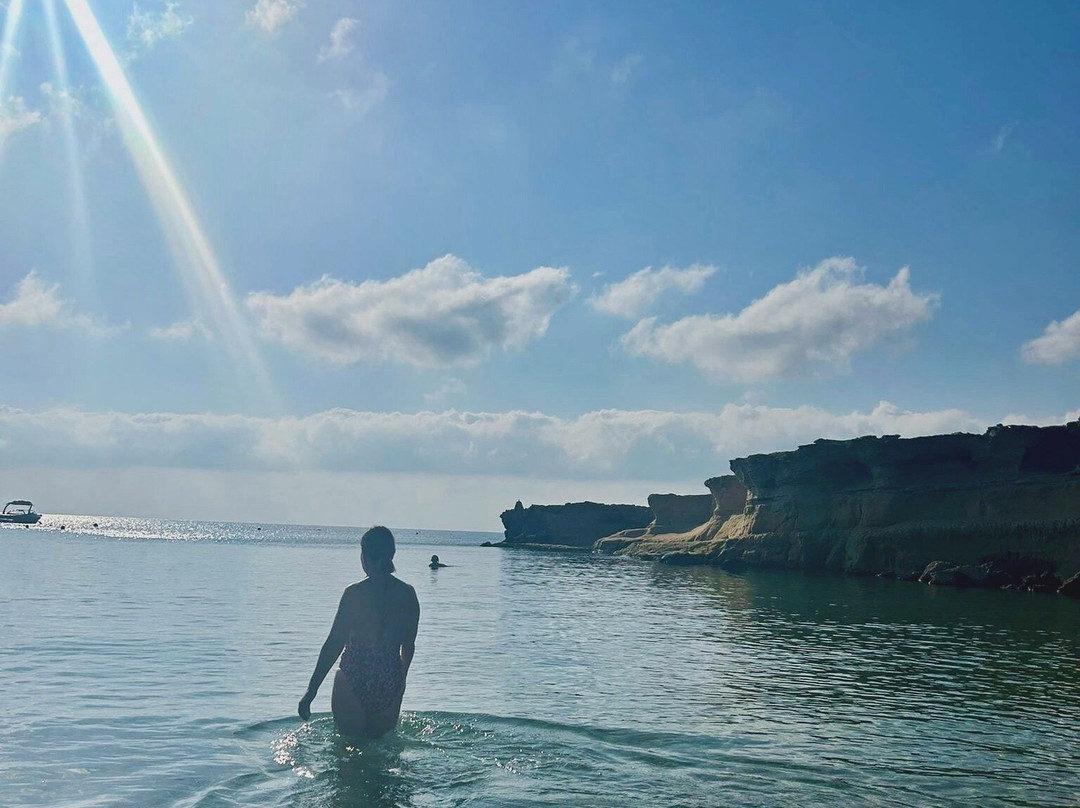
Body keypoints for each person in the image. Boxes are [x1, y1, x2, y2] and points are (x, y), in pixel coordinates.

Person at [298, 526, 420, 738]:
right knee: (382, 754)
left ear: (364, 556)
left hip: (353, 678)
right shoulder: (407, 594)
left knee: (348, 750)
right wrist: (401, 680)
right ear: (392, 554)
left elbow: (334, 644)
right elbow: (408, 645)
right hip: (389, 680)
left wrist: (311, 690)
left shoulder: (354, 594)